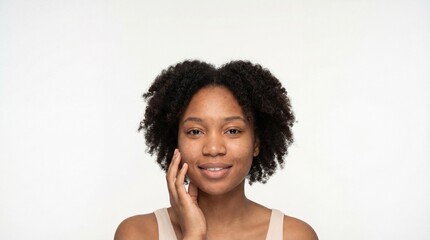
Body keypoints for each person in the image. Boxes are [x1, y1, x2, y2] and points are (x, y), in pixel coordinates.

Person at [115, 60, 318, 240]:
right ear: (175, 142)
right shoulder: (137, 233)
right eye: (195, 131)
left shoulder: (293, 235)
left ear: (256, 143)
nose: (213, 148)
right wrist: (193, 235)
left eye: (232, 130)